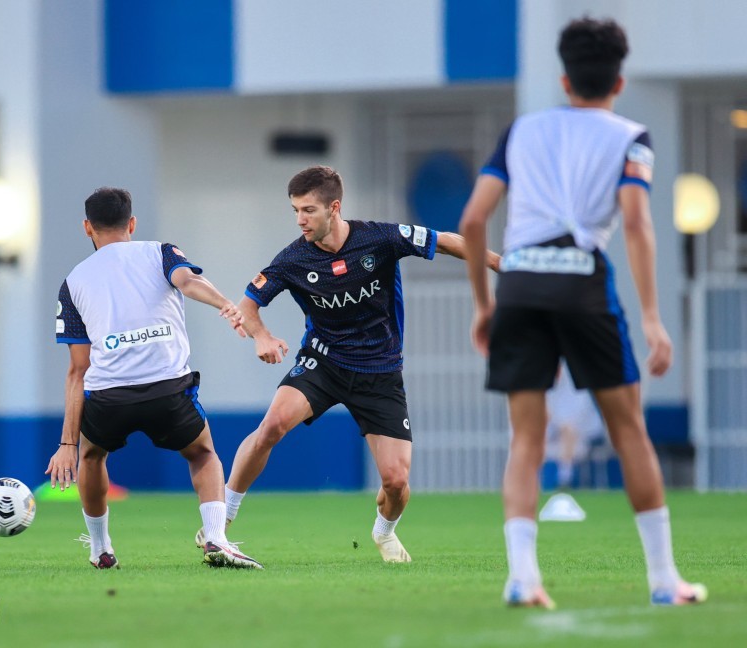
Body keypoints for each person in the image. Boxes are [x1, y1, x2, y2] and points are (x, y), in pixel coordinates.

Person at [459, 18, 707, 607]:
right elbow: (637, 223)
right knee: (629, 431)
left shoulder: (521, 130)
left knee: (527, 437)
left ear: (564, 79)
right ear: (619, 82)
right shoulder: (631, 137)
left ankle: (523, 578)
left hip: (520, 282)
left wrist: (484, 304)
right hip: (582, 280)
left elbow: (472, 220)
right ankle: (664, 580)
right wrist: (652, 317)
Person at [206, 165, 499, 563]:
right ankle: (221, 522)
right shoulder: (292, 259)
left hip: (380, 372)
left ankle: (384, 532)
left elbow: (446, 241)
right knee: (271, 426)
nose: (300, 220)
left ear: (334, 207)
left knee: (396, 483)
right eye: (295, 210)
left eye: (308, 210)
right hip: (322, 363)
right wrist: (262, 337)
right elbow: (249, 305)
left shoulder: (380, 238)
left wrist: (500, 264)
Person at [45, 187, 262, 570]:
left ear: (87, 227)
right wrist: (225, 303)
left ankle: (100, 548)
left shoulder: (73, 282)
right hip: (168, 391)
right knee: (202, 453)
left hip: (109, 397)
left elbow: (78, 370)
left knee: (92, 456)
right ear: (131, 223)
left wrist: (67, 445)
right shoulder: (161, 252)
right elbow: (188, 281)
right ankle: (216, 537)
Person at [546, 361, 606, 489]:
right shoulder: (546, 385)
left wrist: (562, 425)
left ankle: (564, 478)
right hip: (554, 431)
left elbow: (579, 415)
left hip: (583, 431)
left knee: (568, 429)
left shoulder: (575, 381)